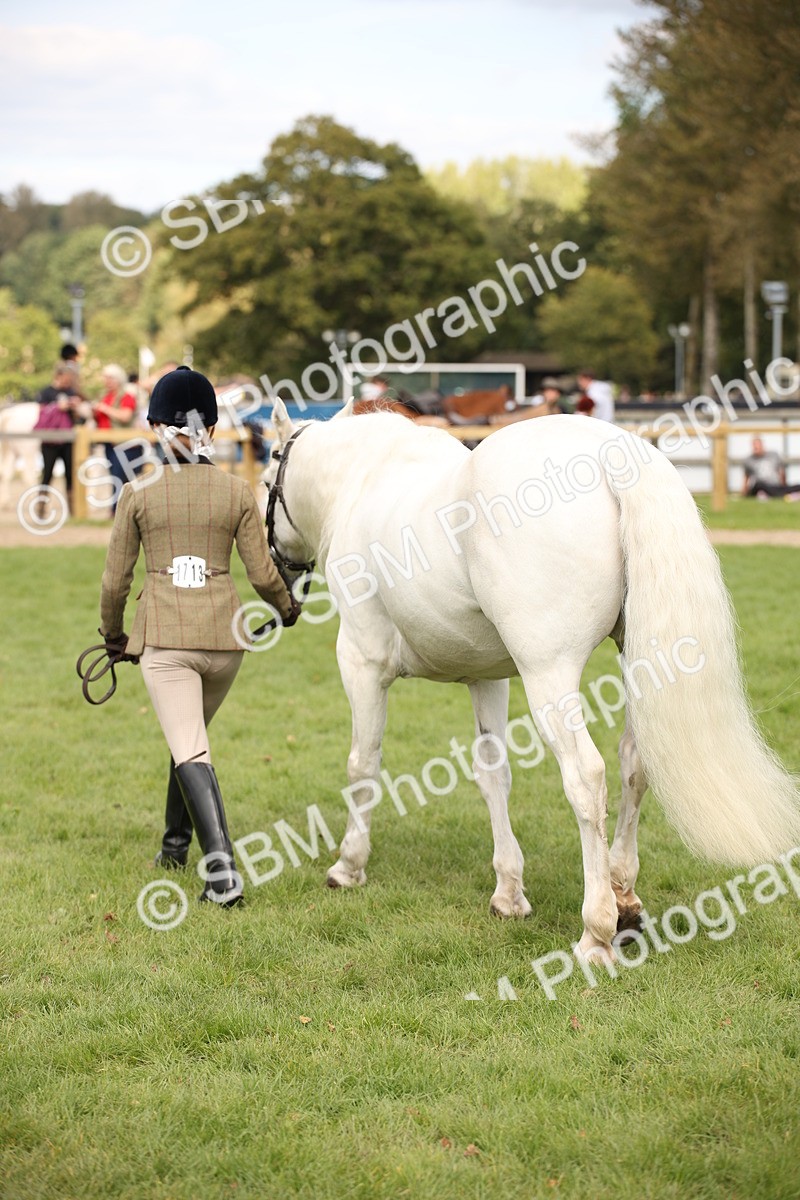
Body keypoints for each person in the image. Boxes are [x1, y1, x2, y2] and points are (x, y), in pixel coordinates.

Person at [98, 365, 299, 905]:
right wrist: (288, 606)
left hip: (167, 642)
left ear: (160, 427)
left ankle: (223, 876)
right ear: (209, 426)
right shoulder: (236, 492)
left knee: (188, 745)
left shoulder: (137, 493)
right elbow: (262, 575)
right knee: (188, 735)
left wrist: (113, 636)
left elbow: (115, 581)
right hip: (225, 644)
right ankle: (174, 845)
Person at [33, 363, 86, 515]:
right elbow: (42, 415)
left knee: (70, 474)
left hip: (67, 440)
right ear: (59, 376)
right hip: (50, 441)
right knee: (47, 473)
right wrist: (57, 407)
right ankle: (41, 507)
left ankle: (73, 509)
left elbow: (78, 416)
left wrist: (75, 407)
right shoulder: (46, 393)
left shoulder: (71, 392)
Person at [93, 364, 138, 511]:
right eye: (105, 378)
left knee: (120, 477)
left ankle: (118, 510)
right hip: (108, 443)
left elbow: (125, 416)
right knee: (113, 476)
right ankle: (116, 509)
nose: (107, 381)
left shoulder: (126, 397)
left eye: (110, 378)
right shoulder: (104, 396)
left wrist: (105, 409)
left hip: (123, 443)